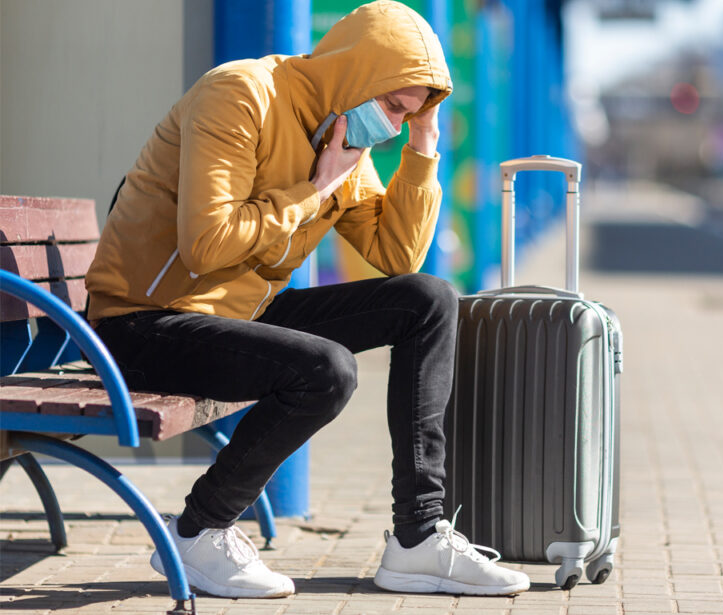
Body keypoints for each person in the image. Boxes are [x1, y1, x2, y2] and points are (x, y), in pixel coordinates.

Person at [84, 0, 529, 599]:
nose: (393, 125)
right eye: (393, 106)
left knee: (427, 300)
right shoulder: (241, 93)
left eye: (409, 114)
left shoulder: (339, 132)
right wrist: (316, 189)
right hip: (142, 323)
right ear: (354, 75)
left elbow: (398, 255)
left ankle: (419, 537)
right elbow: (207, 245)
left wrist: (424, 145)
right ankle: (198, 532)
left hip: (238, 314)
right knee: (325, 370)